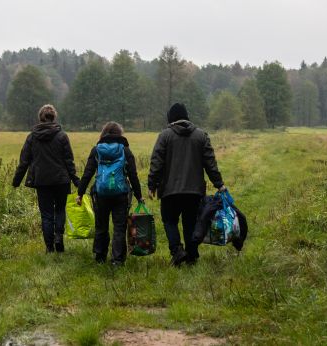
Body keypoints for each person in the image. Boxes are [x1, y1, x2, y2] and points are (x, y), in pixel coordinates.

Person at [148, 103, 226, 266]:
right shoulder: (201, 135)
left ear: (171, 118)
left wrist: (152, 185)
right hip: (194, 191)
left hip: (169, 191)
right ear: (186, 117)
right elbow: (210, 163)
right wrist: (219, 184)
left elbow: (157, 162)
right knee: (190, 223)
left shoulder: (164, 136)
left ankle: (177, 251)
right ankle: (192, 255)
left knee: (170, 221)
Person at [12, 104, 79, 253]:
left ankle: (49, 247)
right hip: (61, 180)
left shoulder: (32, 137)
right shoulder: (62, 136)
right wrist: (76, 180)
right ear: (54, 117)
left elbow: (24, 161)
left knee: (47, 214)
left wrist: (16, 181)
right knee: (60, 210)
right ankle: (58, 237)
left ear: (40, 117)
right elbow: (69, 160)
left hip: (42, 181)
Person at [76, 122, 143, 266]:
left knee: (101, 226)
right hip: (121, 194)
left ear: (104, 133)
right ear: (120, 134)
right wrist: (139, 196)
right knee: (119, 227)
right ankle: (117, 260)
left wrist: (80, 193)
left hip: (100, 194)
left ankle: (100, 256)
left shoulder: (97, 150)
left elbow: (88, 173)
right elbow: (133, 175)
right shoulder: (125, 150)